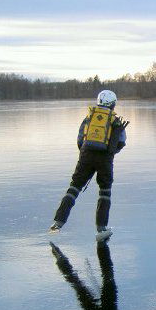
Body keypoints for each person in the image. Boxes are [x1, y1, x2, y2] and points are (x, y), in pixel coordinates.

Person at [49, 90, 128, 242]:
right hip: (105, 159)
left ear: (98, 101)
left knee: (74, 188)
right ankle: (101, 229)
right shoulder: (115, 121)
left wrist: (86, 154)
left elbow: (80, 139)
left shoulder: (89, 117)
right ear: (113, 104)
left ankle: (57, 223)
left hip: (86, 155)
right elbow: (122, 142)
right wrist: (109, 153)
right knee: (105, 192)